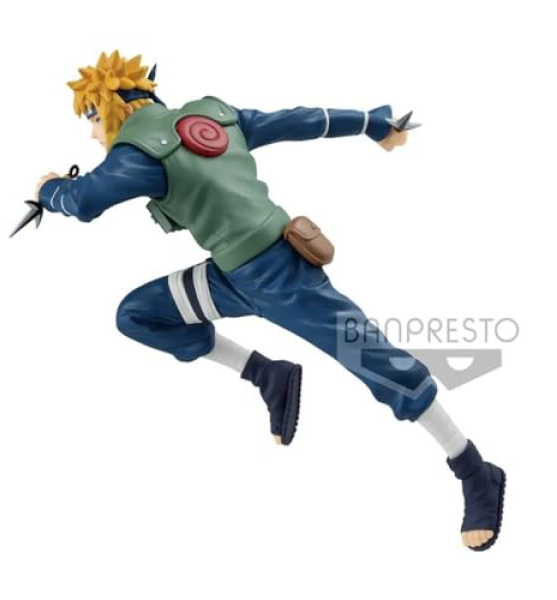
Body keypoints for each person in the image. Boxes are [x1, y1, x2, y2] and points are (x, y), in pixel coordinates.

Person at [35, 50, 505, 551]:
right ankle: (268, 374)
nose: (93, 135)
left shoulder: (135, 152)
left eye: (91, 119)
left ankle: (474, 469)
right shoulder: (214, 115)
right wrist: (370, 123)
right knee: (139, 314)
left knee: (378, 362)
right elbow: (298, 121)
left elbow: (84, 201)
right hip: (231, 276)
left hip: (283, 280)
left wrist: (50, 190)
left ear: (110, 108)